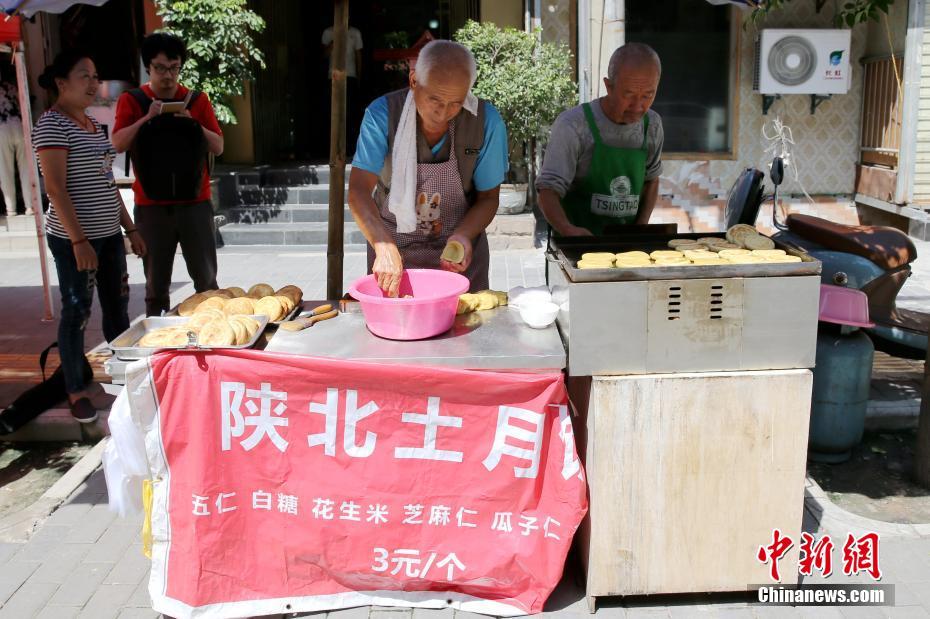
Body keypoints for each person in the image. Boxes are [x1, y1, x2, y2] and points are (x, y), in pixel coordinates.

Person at [33, 50, 146, 423]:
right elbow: (56, 189)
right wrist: (79, 241)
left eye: (96, 76)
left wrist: (129, 228)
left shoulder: (95, 126)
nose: (93, 83)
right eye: (85, 76)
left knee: (117, 308)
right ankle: (77, 387)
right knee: (77, 311)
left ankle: (121, 380)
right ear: (62, 83)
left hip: (109, 234)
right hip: (72, 241)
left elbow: (106, 183)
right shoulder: (51, 125)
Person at [349, 40, 508, 297]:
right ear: (414, 81)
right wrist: (383, 244)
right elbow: (357, 190)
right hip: (393, 254)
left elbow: (489, 198)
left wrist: (465, 236)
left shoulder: (486, 122)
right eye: (434, 98)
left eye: (456, 102)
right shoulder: (382, 115)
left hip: (459, 261)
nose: (443, 112)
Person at [112, 32, 223, 316]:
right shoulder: (132, 101)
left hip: (196, 203)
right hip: (151, 208)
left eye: (174, 67)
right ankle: (158, 351)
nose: (168, 75)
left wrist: (194, 123)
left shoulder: (196, 100)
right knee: (156, 288)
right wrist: (147, 118)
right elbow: (118, 143)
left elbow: (219, 146)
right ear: (148, 67)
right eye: (160, 68)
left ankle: (212, 343)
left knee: (207, 284)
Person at [537, 42, 664, 236]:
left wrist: (640, 227)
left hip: (627, 244)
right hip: (576, 241)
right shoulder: (573, 125)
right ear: (609, 86)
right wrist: (567, 229)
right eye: (628, 94)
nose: (638, 105)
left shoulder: (652, 125)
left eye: (648, 95)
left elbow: (651, 180)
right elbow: (547, 191)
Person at [0, 61, 34, 217]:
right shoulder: (16, 87)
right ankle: (30, 206)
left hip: (2, 128)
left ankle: (11, 208)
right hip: (20, 125)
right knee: (26, 167)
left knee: (4, 169)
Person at [322, 22, 364, 146]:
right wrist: (335, 41)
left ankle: (350, 144)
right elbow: (324, 55)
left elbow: (358, 56)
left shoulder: (354, 33)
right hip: (333, 76)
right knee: (334, 111)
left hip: (350, 75)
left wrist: (359, 76)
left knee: (350, 110)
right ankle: (334, 144)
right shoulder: (328, 32)